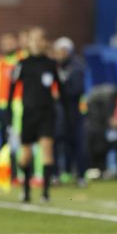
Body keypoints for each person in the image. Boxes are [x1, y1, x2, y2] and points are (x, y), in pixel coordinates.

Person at [7, 27, 64, 203]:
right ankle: (26, 190)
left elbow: (60, 88)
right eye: (33, 39)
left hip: (47, 114)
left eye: (40, 39)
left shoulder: (51, 64)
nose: (36, 43)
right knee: (25, 156)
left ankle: (45, 193)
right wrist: (8, 113)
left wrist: (63, 109)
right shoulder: (22, 63)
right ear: (28, 43)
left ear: (45, 42)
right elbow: (12, 88)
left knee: (47, 151)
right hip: (28, 114)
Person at [52, 37, 87, 187]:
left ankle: (80, 175)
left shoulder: (76, 67)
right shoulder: (54, 67)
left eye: (62, 51)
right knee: (56, 143)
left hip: (72, 111)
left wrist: (62, 92)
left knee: (76, 143)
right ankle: (56, 174)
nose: (59, 54)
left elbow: (78, 90)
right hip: (58, 111)